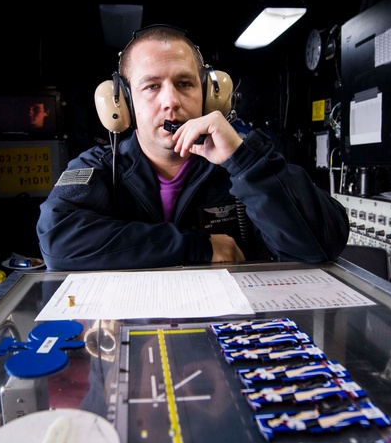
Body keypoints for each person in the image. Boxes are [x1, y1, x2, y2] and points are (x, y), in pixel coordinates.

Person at [36, 25, 349, 271]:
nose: (170, 100)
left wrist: (243, 162)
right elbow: (58, 242)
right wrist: (198, 247)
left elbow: (321, 245)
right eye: (152, 86)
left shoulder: (247, 161)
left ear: (209, 96)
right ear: (123, 102)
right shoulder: (101, 167)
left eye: (184, 84)